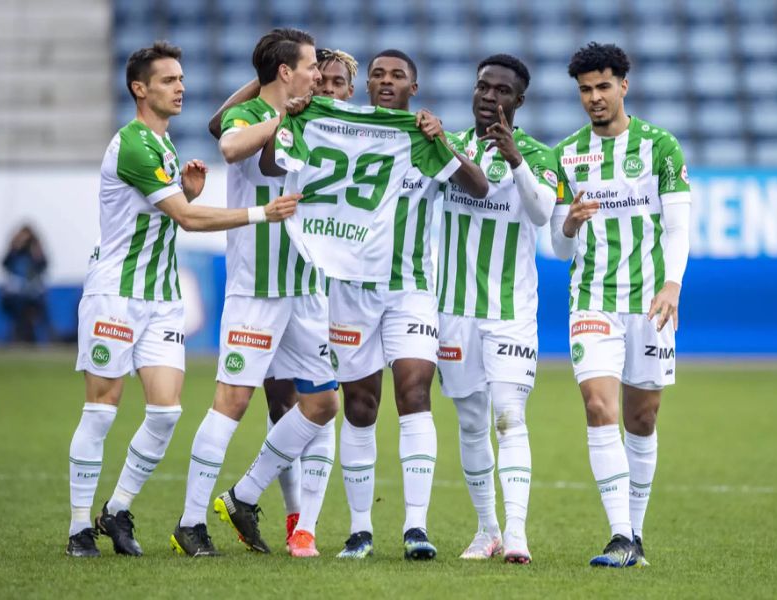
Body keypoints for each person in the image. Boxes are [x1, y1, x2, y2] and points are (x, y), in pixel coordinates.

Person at [65, 41, 299, 558]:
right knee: (101, 410)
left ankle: (118, 509)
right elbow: (188, 221)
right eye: (169, 80)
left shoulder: (163, 146)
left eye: (182, 78)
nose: (181, 87)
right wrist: (261, 213)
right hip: (116, 295)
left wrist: (186, 192)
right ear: (140, 89)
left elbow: (167, 210)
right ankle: (80, 526)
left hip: (161, 298)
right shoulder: (134, 145)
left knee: (166, 412)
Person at [263, 49, 488, 560]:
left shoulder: (421, 137)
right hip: (350, 291)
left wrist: (443, 139)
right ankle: (361, 529)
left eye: (398, 75)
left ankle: (415, 528)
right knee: (361, 407)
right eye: (379, 75)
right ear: (366, 87)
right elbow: (274, 163)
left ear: (414, 86)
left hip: (410, 289)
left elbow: (478, 186)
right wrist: (289, 118)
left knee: (415, 391)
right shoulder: (332, 125)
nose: (387, 81)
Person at [175, 28, 339, 559]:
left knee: (321, 403)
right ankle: (190, 523)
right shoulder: (251, 119)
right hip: (257, 289)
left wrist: (291, 101)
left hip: (307, 286)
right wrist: (281, 109)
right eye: (311, 65)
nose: (319, 74)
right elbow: (225, 141)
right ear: (285, 72)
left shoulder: (309, 115)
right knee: (233, 401)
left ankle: (244, 494)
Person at [551, 42, 691, 568]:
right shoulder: (566, 154)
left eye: (603, 86)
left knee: (643, 417)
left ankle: (636, 533)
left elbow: (677, 226)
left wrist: (672, 285)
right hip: (592, 298)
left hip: (650, 302)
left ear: (624, 86)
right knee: (597, 407)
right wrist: (567, 225)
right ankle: (619, 537)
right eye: (585, 90)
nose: (594, 98)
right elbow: (560, 248)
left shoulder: (660, 147)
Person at [436, 54, 558, 564]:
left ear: (519, 101)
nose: (489, 96)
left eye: (501, 90)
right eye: (483, 87)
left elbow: (543, 213)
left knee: (509, 417)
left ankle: (518, 534)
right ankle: (486, 529)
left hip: (510, 310)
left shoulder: (538, 154)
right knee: (469, 421)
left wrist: (515, 160)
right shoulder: (448, 147)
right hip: (452, 308)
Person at [0, 225, 52, 343]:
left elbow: (43, 266)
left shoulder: (35, 252)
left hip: (33, 294)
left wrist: (36, 251)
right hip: (16, 294)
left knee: (39, 306)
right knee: (18, 307)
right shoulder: (15, 252)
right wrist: (15, 247)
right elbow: (5, 264)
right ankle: (19, 335)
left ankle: (45, 336)